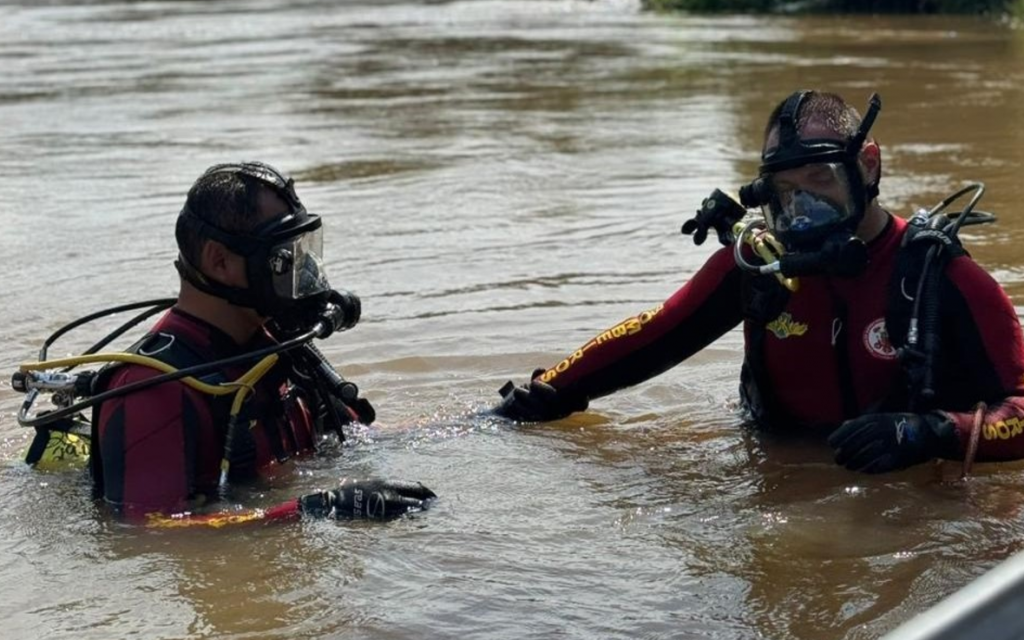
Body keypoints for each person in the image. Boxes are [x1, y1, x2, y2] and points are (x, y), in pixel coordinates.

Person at [493, 90, 1024, 474]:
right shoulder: (759, 266)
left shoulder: (943, 276)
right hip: (774, 468)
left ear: (866, 165)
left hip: (912, 493)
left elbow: (1020, 407)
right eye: (786, 191)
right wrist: (546, 393)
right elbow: (653, 334)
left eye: (821, 181)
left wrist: (930, 434)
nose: (805, 207)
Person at [89, 162, 435, 522]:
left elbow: (361, 439)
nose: (304, 275)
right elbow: (142, 531)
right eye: (283, 258)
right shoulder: (150, 388)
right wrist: (315, 508)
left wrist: (487, 421)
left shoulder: (279, 344)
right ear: (219, 261)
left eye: (304, 251)